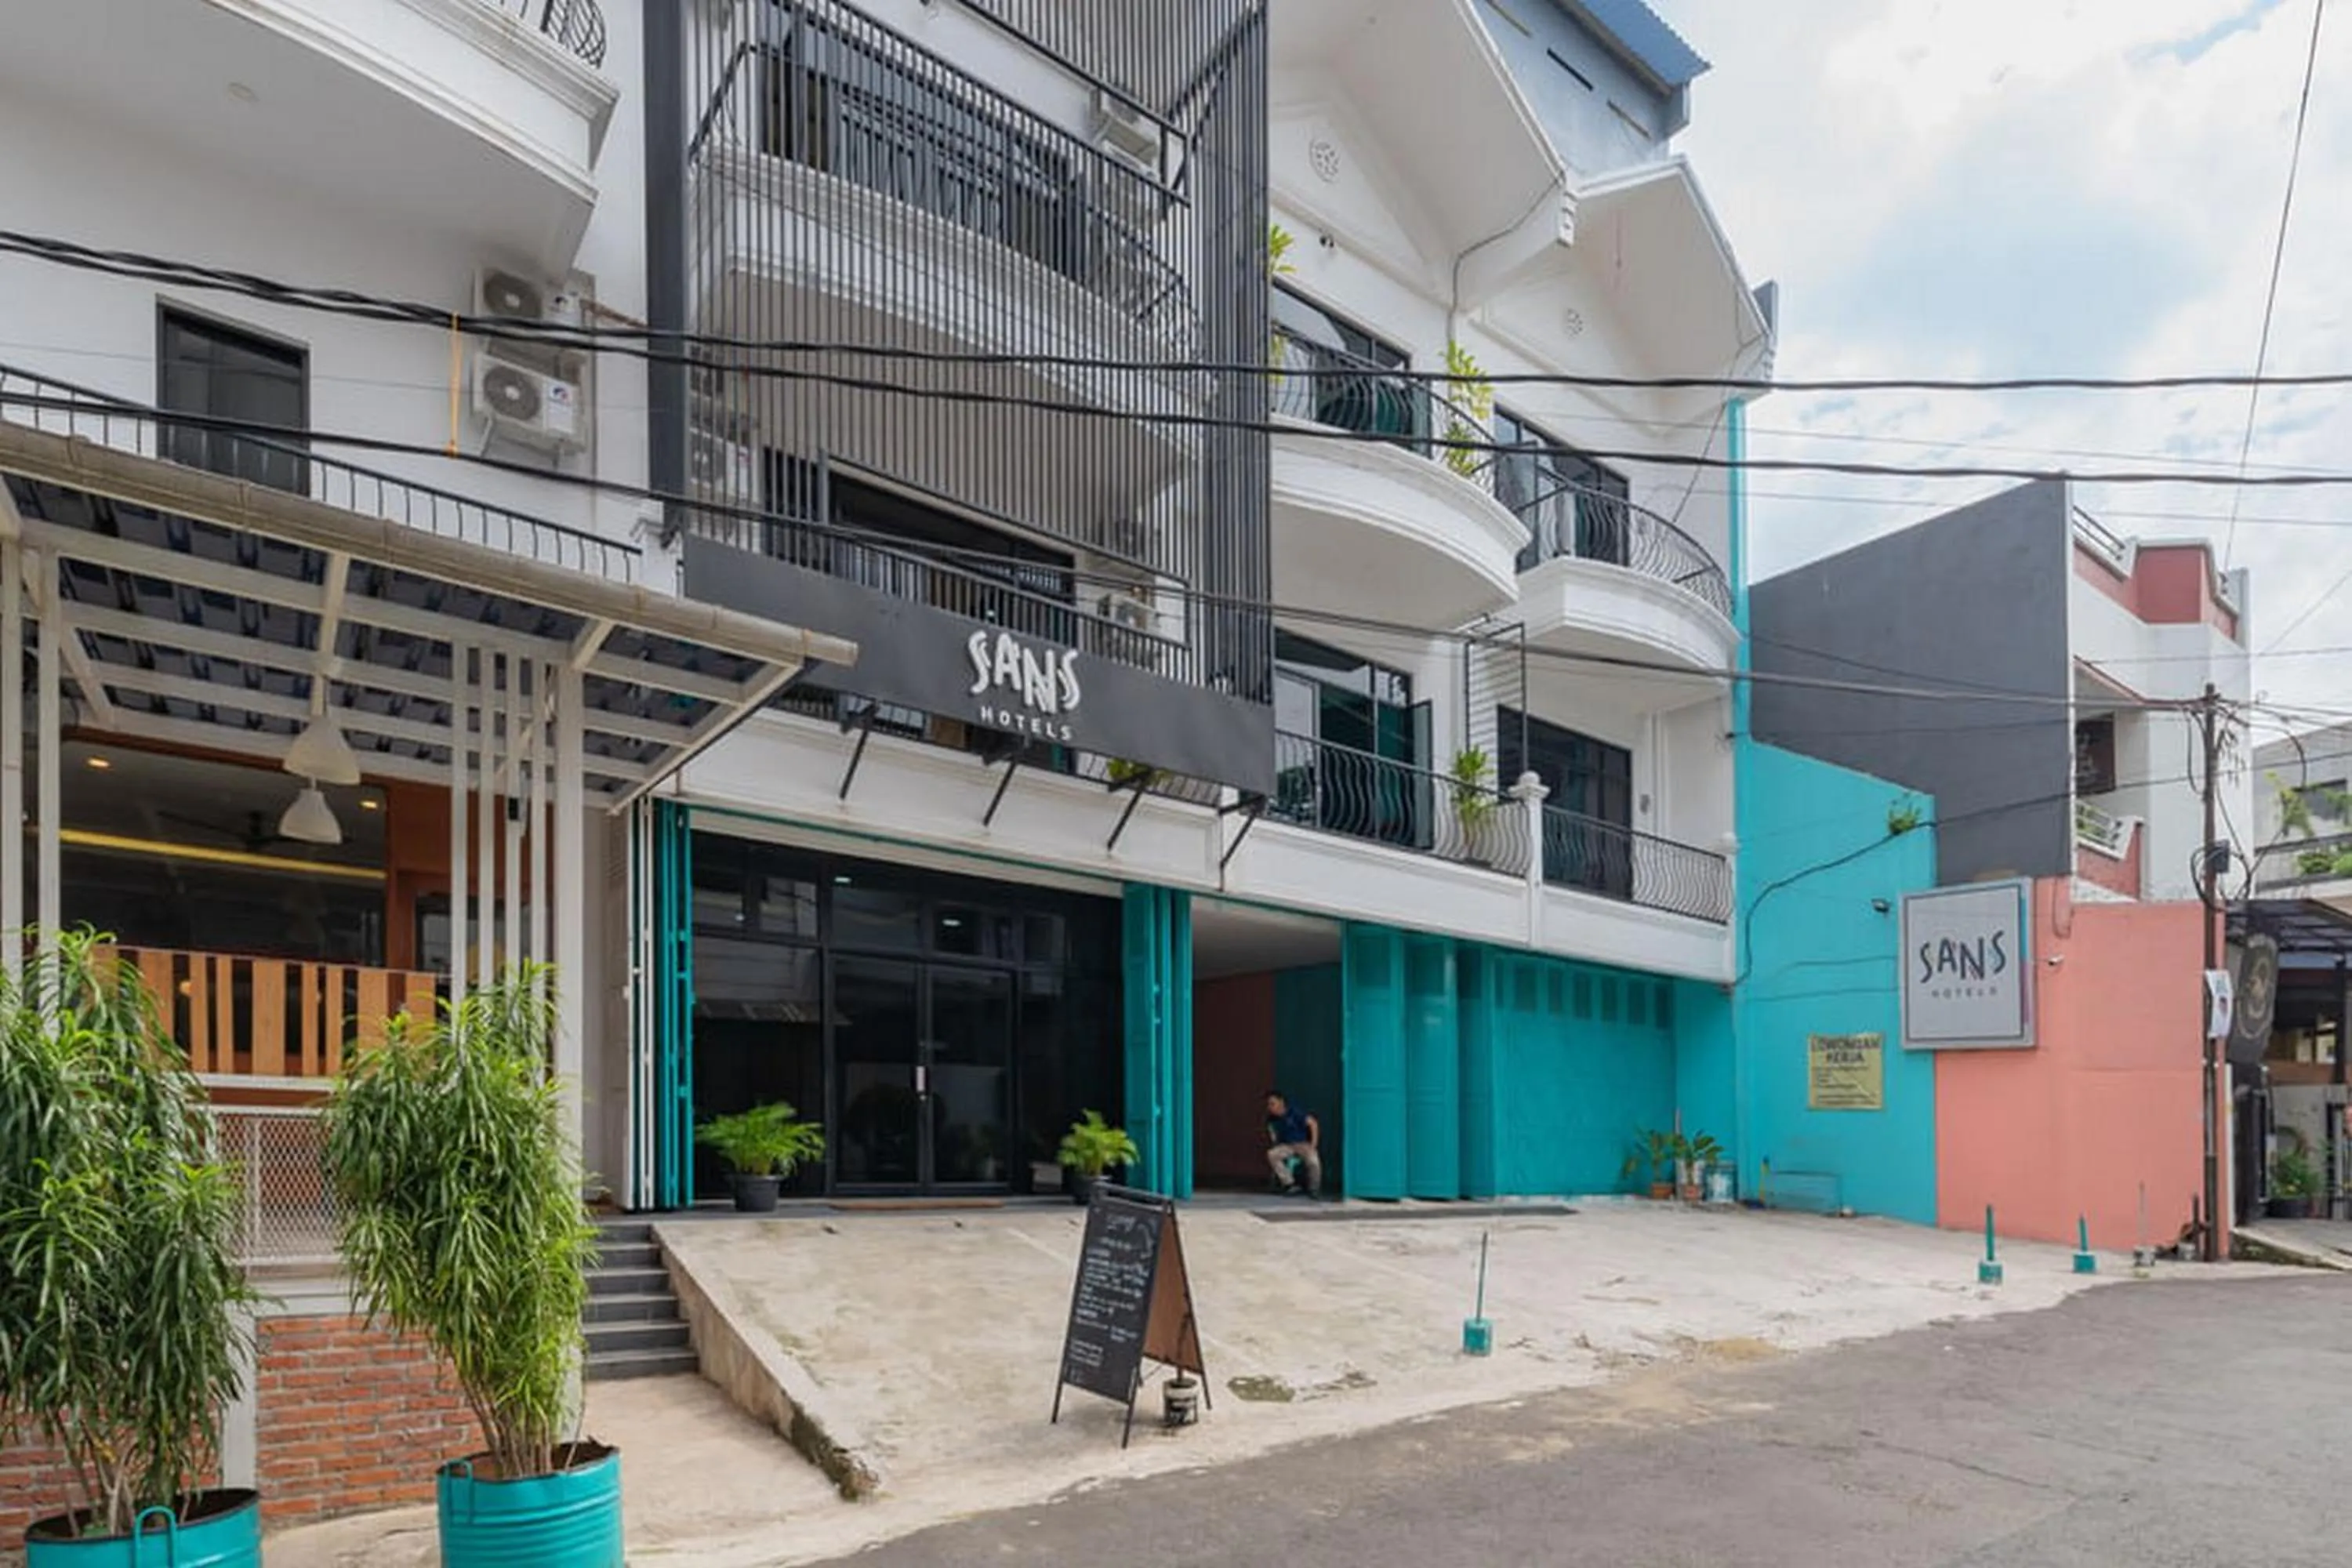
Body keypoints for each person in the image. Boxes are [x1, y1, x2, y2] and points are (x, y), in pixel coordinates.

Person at [1264, 1091, 1322, 1197]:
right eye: (1269, 1104)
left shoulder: (1294, 1112)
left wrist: (1313, 1144)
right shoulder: (1272, 1119)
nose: (1270, 1107)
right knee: (1272, 1154)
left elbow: (1313, 1123)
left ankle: (1314, 1189)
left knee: (1313, 1161)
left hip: (1302, 1144)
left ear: (1281, 1103)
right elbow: (1272, 1134)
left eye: (1273, 1104)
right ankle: (1289, 1184)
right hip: (1287, 1146)